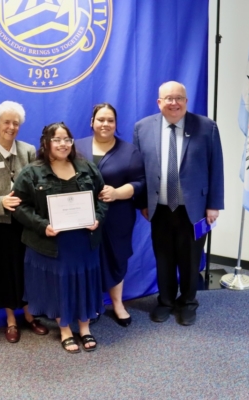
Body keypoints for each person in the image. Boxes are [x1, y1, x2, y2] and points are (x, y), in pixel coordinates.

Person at [133, 81, 224, 326]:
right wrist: (142, 202)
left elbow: (216, 167)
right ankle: (165, 302)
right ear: (159, 102)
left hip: (194, 209)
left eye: (179, 98)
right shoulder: (142, 128)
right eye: (169, 98)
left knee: (190, 258)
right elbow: (138, 171)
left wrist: (214, 204)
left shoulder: (206, 126)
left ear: (186, 101)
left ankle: (188, 302)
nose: (174, 103)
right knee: (163, 257)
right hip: (159, 208)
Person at [12, 122, 107, 353]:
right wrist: (42, 225)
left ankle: (84, 328)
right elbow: (19, 206)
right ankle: (64, 328)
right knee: (59, 285)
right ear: (46, 143)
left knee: (84, 282)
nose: (63, 144)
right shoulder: (31, 172)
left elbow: (103, 197)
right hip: (51, 244)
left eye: (67, 139)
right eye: (57, 140)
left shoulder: (87, 168)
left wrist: (98, 218)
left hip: (84, 242)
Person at [0, 101, 48, 343]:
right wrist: (0, 202)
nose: (11, 127)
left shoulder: (28, 151)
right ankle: (11, 320)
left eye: (16, 123)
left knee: (27, 270)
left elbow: (37, 185)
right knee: (4, 273)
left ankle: (30, 314)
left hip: (26, 224)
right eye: (6, 122)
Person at [75, 103, 145, 327]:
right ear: (91, 122)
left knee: (116, 258)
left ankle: (117, 304)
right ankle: (92, 304)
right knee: (88, 260)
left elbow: (140, 183)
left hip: (118, 217)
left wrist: (116, 193)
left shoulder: (129, 151)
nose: (105, 124)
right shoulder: (77, 147)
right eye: (101, 119)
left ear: (116, 124)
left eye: (110, 120)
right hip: (83, 217)